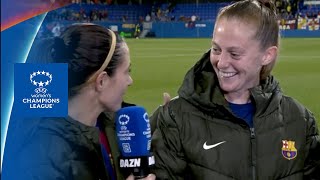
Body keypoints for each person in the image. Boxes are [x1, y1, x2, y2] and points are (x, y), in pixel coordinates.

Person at [150, 0, 320, 179]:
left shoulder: (301, 122)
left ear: (267, 55)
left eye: (235, 53)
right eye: (216, 49)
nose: (221, 62)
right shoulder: (177, 119)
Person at [2, 23, 154, 180]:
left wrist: (168, 116)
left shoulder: (113, 126)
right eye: (127, 71)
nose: (130, 81)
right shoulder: (40, 158)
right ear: (101, 81)